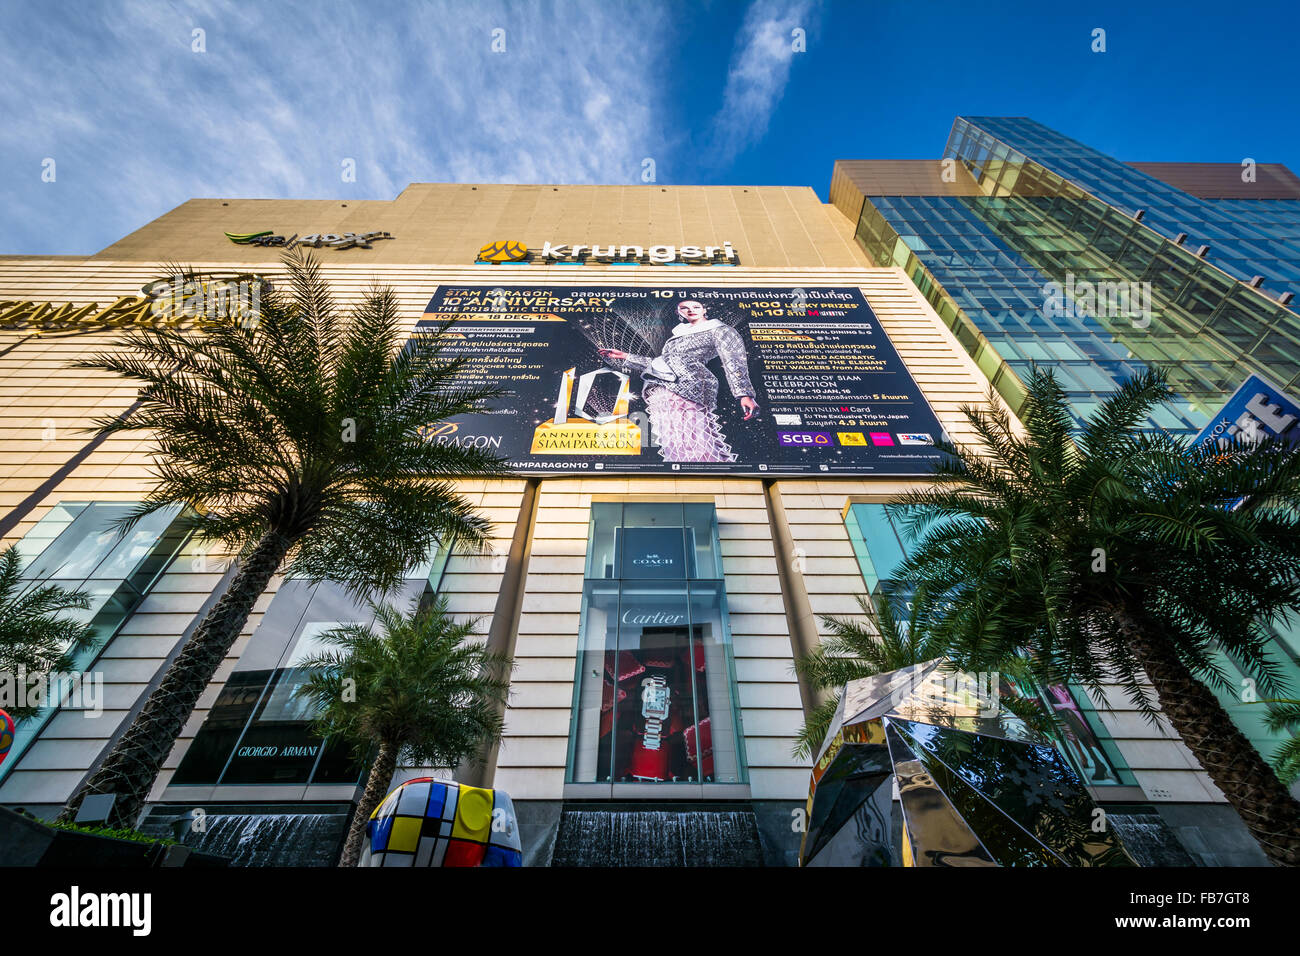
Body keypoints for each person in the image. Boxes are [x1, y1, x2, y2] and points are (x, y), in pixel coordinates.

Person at [599, 300, 759, 462]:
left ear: (704, 309)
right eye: (684, 308)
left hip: (690, 384)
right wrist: (625, 356)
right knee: (674, 438)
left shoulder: (720, 330)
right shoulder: (678, 334)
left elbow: (734, 359)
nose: (691, 310)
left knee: (695, 435)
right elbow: (662, 362)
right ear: (679, 312)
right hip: (660, 388)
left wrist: (744, 394)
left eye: (696, 307)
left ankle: (709, 473)